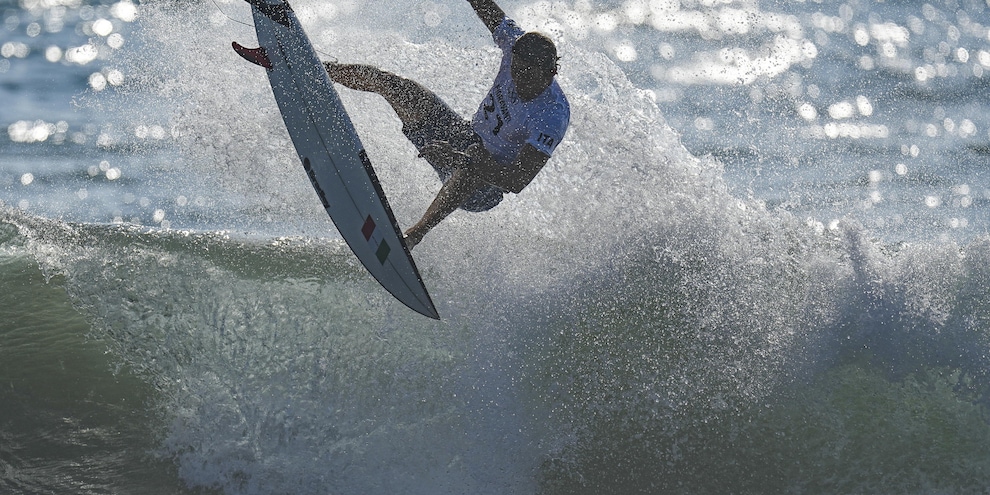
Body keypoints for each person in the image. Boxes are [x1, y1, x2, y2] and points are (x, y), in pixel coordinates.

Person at [324, 0, 570, 249]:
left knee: (474, 155)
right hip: (462, 138)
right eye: (515, 71)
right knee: (398, 87)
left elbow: (517, 180)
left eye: (527, 75)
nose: (518, 80)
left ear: (551, 73)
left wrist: (459, 159)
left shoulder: (552, 116)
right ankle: (321, 71)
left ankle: (414, 236)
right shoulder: (513, 44)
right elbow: (486, 8)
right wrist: (456, 154)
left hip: (486, 188)